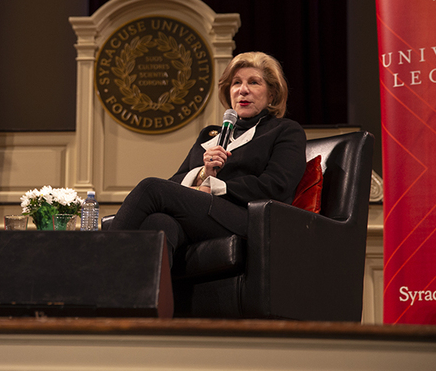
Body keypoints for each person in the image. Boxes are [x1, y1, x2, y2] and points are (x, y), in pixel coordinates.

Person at [108, 52, 306, 266]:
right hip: (203, 216)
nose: (242, 90)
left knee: (150, 188)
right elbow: (174, 182)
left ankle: (96, 262)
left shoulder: (284, 131)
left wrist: (217, 186)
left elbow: (276, 185)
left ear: (272, 93)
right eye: (236, 83)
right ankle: (148, 299)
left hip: (247, 217)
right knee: (159, 223)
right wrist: (203, 173)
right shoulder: (210, 135)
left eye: (254, 82)